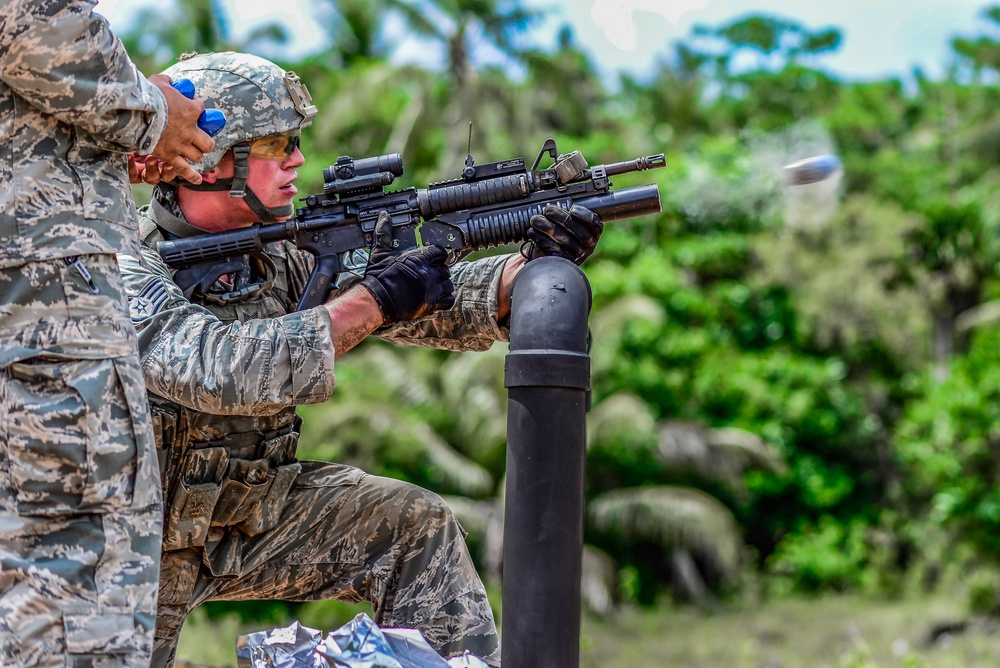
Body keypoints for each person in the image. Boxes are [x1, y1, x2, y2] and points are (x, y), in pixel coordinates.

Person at [116, 51, 604, 668]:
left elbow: (423, 301)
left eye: (298, 141)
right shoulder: (117, 262)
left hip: (244, 520)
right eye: (276, 143)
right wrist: (371, 302)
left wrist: (524, 274)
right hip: (129, 543)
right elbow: (220, 369)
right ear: (210, 160)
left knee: (411, 528)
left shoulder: (282, 255)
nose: (297, 159)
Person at [0, 2, 217, 665]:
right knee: (76, 574)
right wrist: (151, 114)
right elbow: (31, 20)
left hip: (40, 277)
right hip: (47, 292)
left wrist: (97, 143)